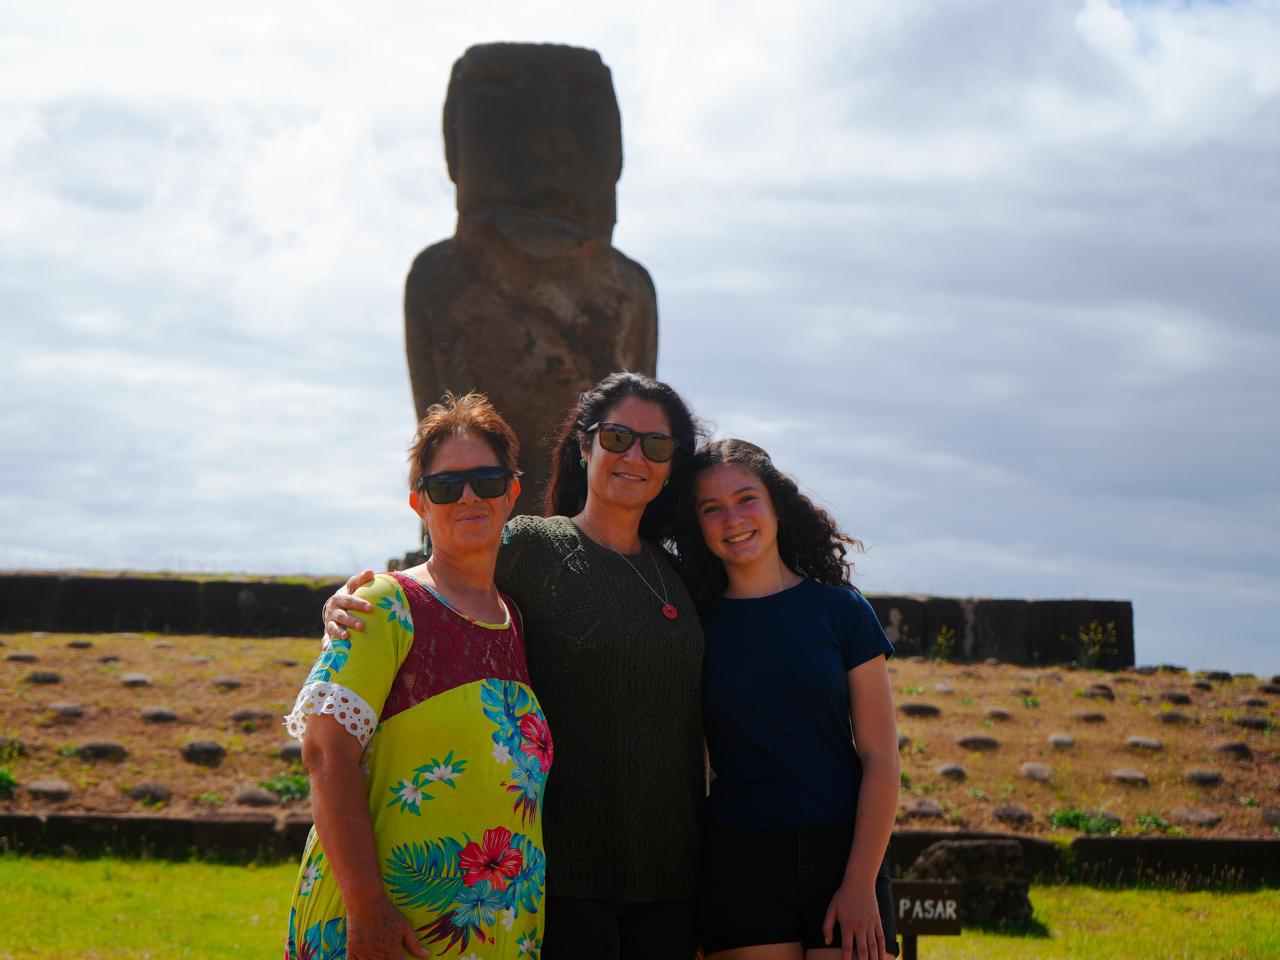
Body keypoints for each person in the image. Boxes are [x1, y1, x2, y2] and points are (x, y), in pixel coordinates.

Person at [324, 372, 706, 960]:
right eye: (618, 437)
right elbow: (445, 566)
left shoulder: (684, 572)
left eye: (656, 445)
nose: (635, 456)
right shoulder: (534, 547)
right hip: (571, 878)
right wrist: (346, 603)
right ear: (584, 446)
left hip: (673, 877)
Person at [284, 392, 551, 960]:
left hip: (492, 934)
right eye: (447, 486)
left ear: (512, 492)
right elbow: (326, 752)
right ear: (419, 504)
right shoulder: (385, 603)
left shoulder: (517, 621)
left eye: (486, 479)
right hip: (388, 934)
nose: (470, 497)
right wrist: (366, 909)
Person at [674, 439, 900, 960]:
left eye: (746, 498)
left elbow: (882, 758)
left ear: (776, 503)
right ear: (697, 525)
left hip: (845, 854)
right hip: (740, 859)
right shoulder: (693, 627)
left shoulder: (841, 611)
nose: (733, 518)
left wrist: (860, 883)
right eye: (712, 508)